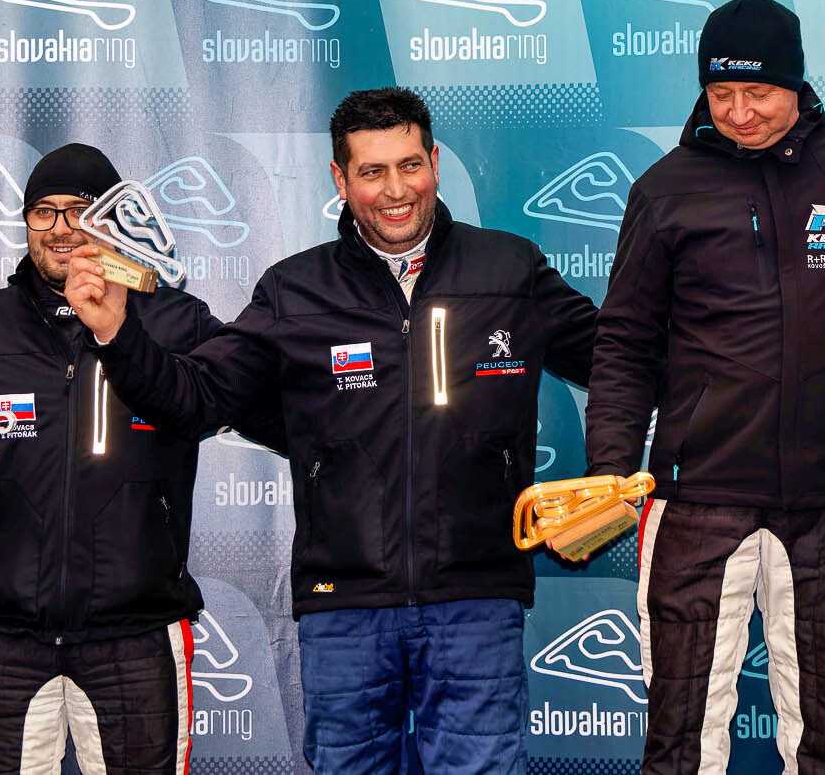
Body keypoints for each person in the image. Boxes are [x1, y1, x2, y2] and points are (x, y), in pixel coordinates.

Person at [63, 87, 599, 775]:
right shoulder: (295, 290)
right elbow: (197, 399)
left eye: (410, 165)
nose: (396, 190)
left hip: (478, 597)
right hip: (343, 608)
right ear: (341, 181)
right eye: (372, 172)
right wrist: (117, 332)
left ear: (434, 163)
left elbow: (615, 357)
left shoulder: (510, 269)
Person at [583, 0, 825, 775]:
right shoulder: (665, 189)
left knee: (824, 743)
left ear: (797, 84)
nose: (739, 113)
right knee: (680, 740)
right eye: (721, 93)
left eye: (759, 92)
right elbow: (626, 342)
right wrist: (610, 466)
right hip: (696, 499)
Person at [0, 142, 259, 775]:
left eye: (79, 210)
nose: (60, 228)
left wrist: (120, 333)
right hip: (0, 635)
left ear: (113, 218)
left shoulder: (176, 322)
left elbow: (222, 401)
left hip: (135, 633)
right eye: (42, 212)